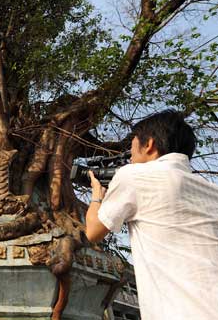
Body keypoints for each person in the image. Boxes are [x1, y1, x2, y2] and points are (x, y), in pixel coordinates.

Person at [85, 109, 218, 320]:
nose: (131, 157)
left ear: (149, 145)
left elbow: (92, 232)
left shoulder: (133, 175)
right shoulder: (211, 190)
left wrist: (96, 195)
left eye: (132, 151)